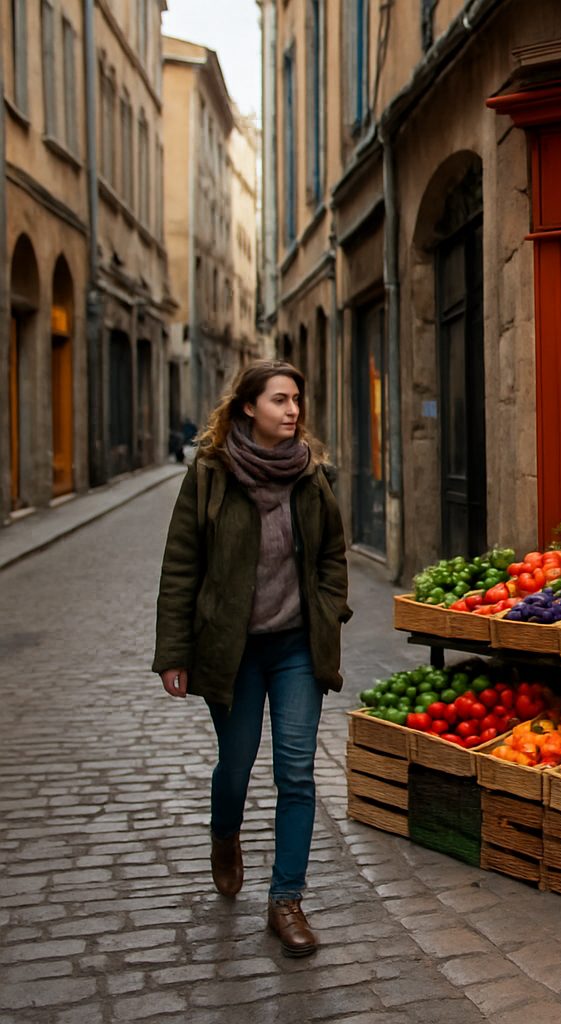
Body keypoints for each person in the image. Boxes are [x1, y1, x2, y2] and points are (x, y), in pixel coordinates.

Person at [152, 360, 351, 958]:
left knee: (296, 771)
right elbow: (181, 565)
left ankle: (286, 900)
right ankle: (225, 835)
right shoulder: (211, 474)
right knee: (234, 768)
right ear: (248, 407)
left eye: (297, 401)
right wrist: (173, 652)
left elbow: (333, 554)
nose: (293, 411)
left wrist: (328, 609)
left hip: (295, 647)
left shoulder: (311, 475)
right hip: (231, 650)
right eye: (280, 401)